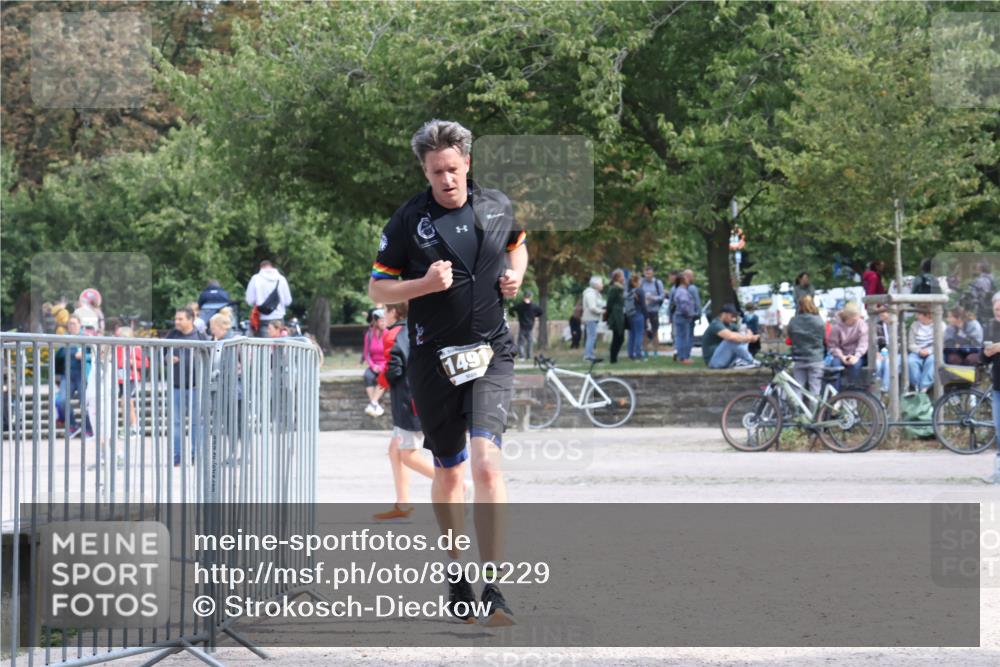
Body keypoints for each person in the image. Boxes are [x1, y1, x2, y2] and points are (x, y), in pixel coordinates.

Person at [367, 118, 526, 626]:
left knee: (486, 466)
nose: (447, 180)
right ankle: (456, 571)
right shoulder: (407, 220)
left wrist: (516, 274)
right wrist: (423, 285)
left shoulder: (496, 204)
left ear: (467, 164)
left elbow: (519, 244)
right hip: (434, 359)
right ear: (425, 170)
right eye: (437, 172)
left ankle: (495, 588)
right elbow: (378, 290)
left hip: (492, 353)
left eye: (454, 170)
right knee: (450, 471)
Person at [372, 302, 435, 521]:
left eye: (385, 312)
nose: (383, 317)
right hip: (418, 396)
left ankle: (457, 485)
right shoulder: (417, 328)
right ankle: (403, 503)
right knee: (395, 450)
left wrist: (380, 379)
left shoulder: (394, 334)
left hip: (408, 401)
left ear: (395, 312)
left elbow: (394, 368)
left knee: (407, 455)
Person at [165, 307, 208, 465]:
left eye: (180, 319)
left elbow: (208, 357)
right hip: (177, 386)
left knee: (197, 422)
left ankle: (196, 455)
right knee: (176, 422)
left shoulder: (200, 336)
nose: (176, 322)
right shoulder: (172, 335)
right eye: (176, 319)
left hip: (196, 386)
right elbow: (162, 353)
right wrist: (167, 358)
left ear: (190, 320)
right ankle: (177, 455)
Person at [54, 315, 91, 438]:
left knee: (85, 403)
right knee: (61, 400)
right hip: (67, 376)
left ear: (80, 325)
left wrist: (84, 356)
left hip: (82, 376)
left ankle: (88, 428)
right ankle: (73, 425)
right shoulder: (64, 340)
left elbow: (97, 355)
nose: (72, 326)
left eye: (74, 323)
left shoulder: (86, 338)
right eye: (70, 324)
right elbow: (57, 359)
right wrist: (57, 377)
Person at [786, 295, 827, 397]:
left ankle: (799, 412)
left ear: (799, 306)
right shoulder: (819, 321)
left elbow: (790, 338)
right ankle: (815, 413)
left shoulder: (793, 321)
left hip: (799, 359)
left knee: (797, 388)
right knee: (815, 390)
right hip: (816, 359)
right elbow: (823, 338)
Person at [827, 301, 869, 389]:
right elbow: (833, 345)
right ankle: (835, 395)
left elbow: (863, 343)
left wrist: (856, 356)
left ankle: (853, 393)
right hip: (841, 355)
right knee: (835, 366)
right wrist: (842, 356)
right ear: (849, 317)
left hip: (856, 354)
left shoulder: (861, 324)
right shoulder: (837, 327)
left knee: (856, 366)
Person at [702, 304, 760, 369]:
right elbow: (731, 337)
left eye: (735, 316)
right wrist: (749, 338)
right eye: (732, 316)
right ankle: (750, 360)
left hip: (724, 359)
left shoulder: (729, 324)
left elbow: (746, 329)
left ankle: (742, 361)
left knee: (742, 335)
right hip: (714, 362)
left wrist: (749, 336)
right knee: (732, 340)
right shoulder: (716, 324)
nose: (734, 319)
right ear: (724, 314)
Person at [245, 260, 293, 336]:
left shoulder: (255, 279)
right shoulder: (281, 279)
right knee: (280, 346)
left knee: (265, 346)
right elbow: (288, 301)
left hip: (263, 319)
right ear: (272, 267)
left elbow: (249, 300)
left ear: (261, 268)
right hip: (279, 319)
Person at [361, 309, 388, 417]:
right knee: (367, 376)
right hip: (374, 365)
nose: (383, 323)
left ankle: (372, 404)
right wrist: (373, 366)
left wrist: (382, 366)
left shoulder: (388, 333)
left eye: (385, 321)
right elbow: (366, 353)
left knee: (383, 377)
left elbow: (390, 353)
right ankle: (375, 404)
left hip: (385, 365)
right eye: (381, 321)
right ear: (376, 322)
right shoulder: (369, 335)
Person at [982, 293, 1000, 446]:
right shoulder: (989, 327)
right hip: (998, 386)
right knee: (999, 428)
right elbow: (984, 358)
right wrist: (986, 353)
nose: (998, 312)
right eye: (996, 310)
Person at [638, 266, 665, 358]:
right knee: (644, 331)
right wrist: (643, 299)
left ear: (652, 273)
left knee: (655, 331)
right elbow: (636, 294)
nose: (647, 275)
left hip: (654, 310)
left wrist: (653, 298)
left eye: (649, 273)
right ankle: (645, 352)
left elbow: (662, 296)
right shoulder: (641, 283)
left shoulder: (658, 283)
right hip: (644, 310)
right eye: (646, 273)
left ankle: (655, 352)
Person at [907, 307, 936, 392]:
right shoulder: (914, 325)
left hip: (932, 352)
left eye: (919, 314)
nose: (917, 316)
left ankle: (924, 388)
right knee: (911, 361)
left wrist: (929, 351)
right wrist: (919, 351)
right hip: (917, 351)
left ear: (927, 315)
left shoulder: (939, 325)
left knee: (931, 361)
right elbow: (911, 344)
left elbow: (941, 343)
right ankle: (916, 386)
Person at [671, 272, 697, 365]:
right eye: (686, 278)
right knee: (684, 337)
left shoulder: (679, 290)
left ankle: (680, 356)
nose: (688, 280)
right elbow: (684, 304)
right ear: (683, 280)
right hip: (683, 317)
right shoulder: (682, 291)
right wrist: (690, 313)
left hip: (680, 316)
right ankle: (684, 358)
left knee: (680, 337)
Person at [511, 292, 543, 361]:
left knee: (521, 342)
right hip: (530, 326)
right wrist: (535, 315)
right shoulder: (534, 306)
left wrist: (514, 315)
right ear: (530, 297)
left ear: (524, 296)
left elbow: (511, 309)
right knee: (530, 342)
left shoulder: (520, 305)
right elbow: (541, 312)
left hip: (522, 326)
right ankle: (529, 356)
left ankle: (522, 356)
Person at [581, 276, 605, 361]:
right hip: (590, 318)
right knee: (591, 336)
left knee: (592, 336)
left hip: (594, 318)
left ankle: (590, 353)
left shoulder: (596, 294)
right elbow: (592, 307)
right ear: (596, 284)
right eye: (601, 283)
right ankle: (588, 355)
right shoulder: (590, 294)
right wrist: (602, 311)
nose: (602, 285)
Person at [606, 270, 626, 363]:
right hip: (615, 316)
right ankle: (613, 358)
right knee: (617, 337)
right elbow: (609, 303)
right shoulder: (614, 289)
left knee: (620, 337)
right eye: (622, 276)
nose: (624, 278)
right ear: (617, 278)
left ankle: (614, 357)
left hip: (620, 315)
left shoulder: (620, 289)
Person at [625, 274, 645, 360]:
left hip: (630, 315)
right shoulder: (639, 291)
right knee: (639, 334)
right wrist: (646, 316)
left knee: (631, 335)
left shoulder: (628, 291)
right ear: (635, 282)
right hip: (638, 313)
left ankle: (630, 354)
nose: (641, 282)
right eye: (639, 280)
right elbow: (643, 305)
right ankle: (638, 354)